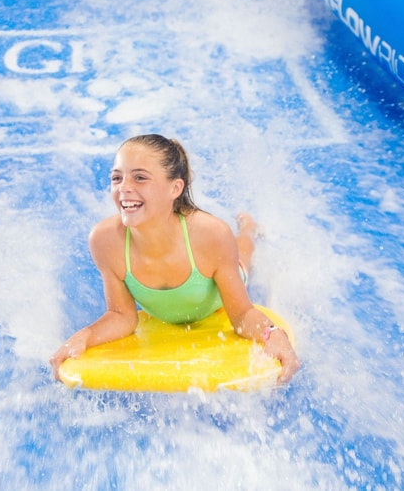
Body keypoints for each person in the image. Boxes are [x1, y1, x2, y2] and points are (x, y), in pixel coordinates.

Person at [49, 135, 301, 385]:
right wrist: (85, 335)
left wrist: (272, 334)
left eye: (140, 177)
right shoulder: (105, 240)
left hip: (212, 296)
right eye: (117, 177)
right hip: (176, 294)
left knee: (242, 257)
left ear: (175, 188)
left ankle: (248, 228)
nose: (123, 187)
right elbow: (121, 315)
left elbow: (242, 315)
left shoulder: (211, 235)